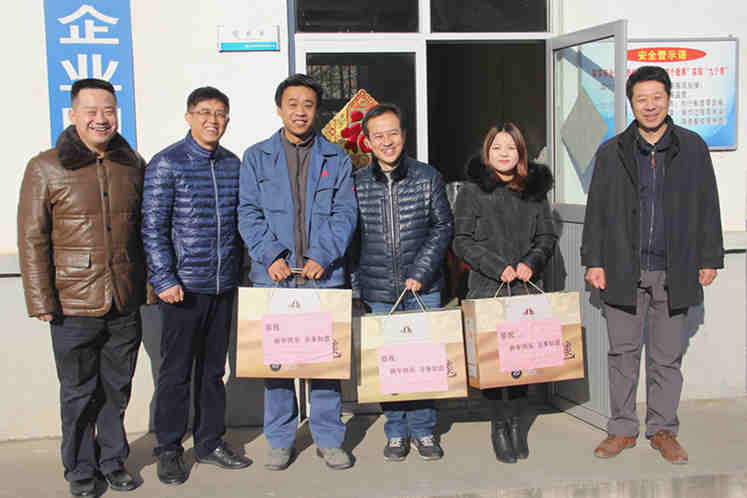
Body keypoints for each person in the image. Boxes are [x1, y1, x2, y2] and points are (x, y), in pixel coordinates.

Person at [582, 66, 724, 464]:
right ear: (631, 103)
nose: (649, 106)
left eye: (657, 97)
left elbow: (708, 204)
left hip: (675, 268)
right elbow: (596, 210)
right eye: (641, 99)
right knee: (622, 354)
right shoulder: (612, 151)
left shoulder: (691, 147)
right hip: (623, 268)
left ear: (668, 99)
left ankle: (663, 429)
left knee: (666, 357)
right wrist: (594, 260)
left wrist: (709, 257)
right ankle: (622, 428)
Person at [18, 78, 145, 496]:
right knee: (78, 393)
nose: (100, 119)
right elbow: (32, 237)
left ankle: (112, 461)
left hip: (123, 299)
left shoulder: (131, 163)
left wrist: (145, 287)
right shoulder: (46, 167)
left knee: (117, 390)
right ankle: (80, 469)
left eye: (108, 110)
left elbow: (143, 231)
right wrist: (40, 298)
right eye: (91, 111)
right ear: (73, 115)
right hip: (72, 304)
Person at [239, 74, 358, 471]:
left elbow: (345, 213)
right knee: (277, 365)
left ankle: (329, 439)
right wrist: (269, 255)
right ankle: (280, 440)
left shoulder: (336, 158)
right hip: (274, 276)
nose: (300, 112)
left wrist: (323, 255)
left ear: (317, 111)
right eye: (292, 104)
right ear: (279, 109)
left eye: (308, 104)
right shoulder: (257, 157)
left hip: (321, 276)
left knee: (323, 364)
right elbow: (247, 212)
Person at [142, 87, 250, 485]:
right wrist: (164, 278)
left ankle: (209, 442)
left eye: (220, 113)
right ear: (189, 116)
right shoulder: (167, 163)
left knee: (212, 372)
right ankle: (169, 449)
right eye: (204, 112)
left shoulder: (232, 164)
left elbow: (240, 223)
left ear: (227, 120)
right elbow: (152, 227)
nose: (212, 120)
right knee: (175, 374)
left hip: (222, 286)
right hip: (182, 289)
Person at [352, 103, 453, 462]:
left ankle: (424, 430)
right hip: (379, 289)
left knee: (422, 361)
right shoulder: (357, 183)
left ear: (403, 135)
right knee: (390, 363)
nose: (387, 141)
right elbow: (352, 240)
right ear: (367, 142)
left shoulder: (427, 177)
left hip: (423, 288)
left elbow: (443, 226)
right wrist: (358, 286)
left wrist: (421, 272)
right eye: (378, 135)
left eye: (392, 133)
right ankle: (395, 431)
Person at [452, 122, 556, 463]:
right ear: (487, 151)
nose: (504, 154)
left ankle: (517, 424)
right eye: (497, 147)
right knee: (496, 365)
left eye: (510, 147)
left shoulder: (534, 190)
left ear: (520, 152)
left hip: (524, 289)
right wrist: (496, 266)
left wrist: (531, 262)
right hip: (488, 288)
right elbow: (461, 241)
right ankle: (499, 425)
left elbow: (546, 237)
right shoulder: (473, 191)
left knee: (522, 362)